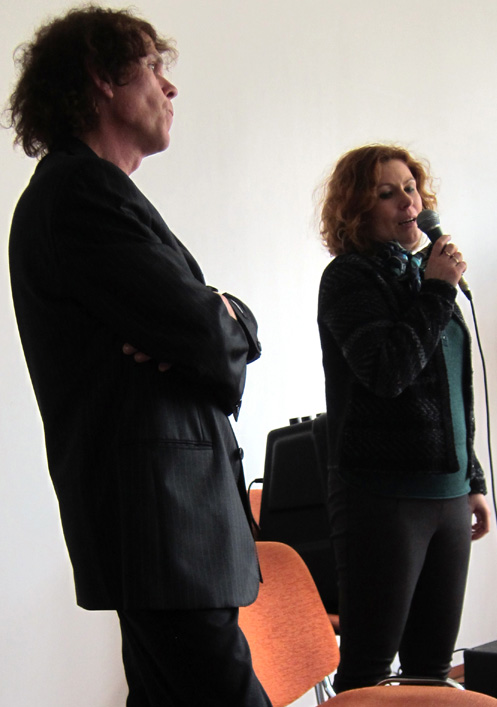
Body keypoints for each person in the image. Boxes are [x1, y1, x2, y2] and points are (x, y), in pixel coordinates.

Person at [6, 7, 271, 706]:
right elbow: (205, 337)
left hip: (165, 531)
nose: (170, 86)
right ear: (102, 77)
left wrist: (224, 315)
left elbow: (212, 326)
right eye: (153, 66)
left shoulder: (88, 191)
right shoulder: (79, 192)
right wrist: (212, 320)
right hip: (163, 529)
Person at [317, 144, 491, 693]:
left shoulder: (424, 275)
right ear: (357, 210)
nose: (408, 203)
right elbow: (387, 372)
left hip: (448, 495)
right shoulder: (350, 278)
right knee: (368, 672)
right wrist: (437, 289)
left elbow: (451, 390)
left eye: (410, 188)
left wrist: (473, 480)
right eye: (386, 194)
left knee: (431, 672)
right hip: (383, 497)